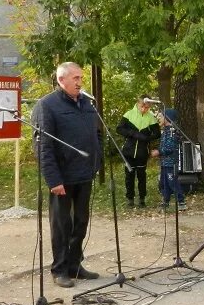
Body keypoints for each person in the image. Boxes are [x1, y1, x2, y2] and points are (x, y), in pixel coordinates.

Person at [33, 62, 102, 288]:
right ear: (61, 80)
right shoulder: (47, 105)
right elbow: (44, 146)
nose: (79, 82)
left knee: (81, 222)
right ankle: (60, 269)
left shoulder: (86, 104)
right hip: (62, 177)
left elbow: (97, 134)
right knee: (62, 225)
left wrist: (96, 160)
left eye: (81, 78)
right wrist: (54, 180)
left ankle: (75, 265)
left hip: (84, 173)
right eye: (75, 78)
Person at [116, 96, 161, 207]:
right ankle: (130, 199)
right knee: (129, 176)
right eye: (142, 106)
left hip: (142, 152)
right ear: (138, 103)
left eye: (147, 107)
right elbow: (119, 129)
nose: (144, 109)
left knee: (142, 176)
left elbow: (157, 133)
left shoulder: (151, 118)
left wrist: (146, 138)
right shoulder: (128, 114)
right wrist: (133, 133)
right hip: (128, 151)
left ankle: (142, 199)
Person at [153, 108, 187, 210]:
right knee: (164, 183)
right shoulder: (165, 131)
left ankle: (181, 202)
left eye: (161, 116)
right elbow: (164, 145)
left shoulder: (172, 132)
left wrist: (159, 152)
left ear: (167, 118)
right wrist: (160, 152)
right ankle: (166, 201)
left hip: (171, 162)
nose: (159, 118)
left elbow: (170, 147)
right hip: (164, 162)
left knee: (172, 182)